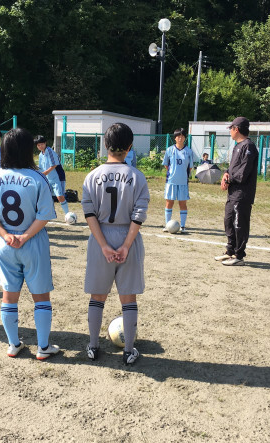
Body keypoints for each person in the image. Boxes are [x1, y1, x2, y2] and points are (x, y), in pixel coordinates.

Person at [0, 128, 60, 360]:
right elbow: (44, 214)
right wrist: (25, 236)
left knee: (9, 294)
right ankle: (43, 347)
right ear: (28, 150)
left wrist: (6, 235)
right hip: (33, 242)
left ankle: (13, 344)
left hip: (5, 244)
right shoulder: (37, 178)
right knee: (41, 296)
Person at [81, 123, 150, 365]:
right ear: (130, 147)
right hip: (127, 237)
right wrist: (125, 245)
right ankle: (129, 351)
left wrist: (104, 245)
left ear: (105, 144)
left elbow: (89, 214)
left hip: (100, 237)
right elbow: (139, 214)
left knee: (97, 296)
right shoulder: (137, 176)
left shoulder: (92, 176)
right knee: (128, 298)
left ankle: (92, 346)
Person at [215, 117, 259, 266]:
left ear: (237, 129)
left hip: (242, 194)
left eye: (231, 128)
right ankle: (230, 251)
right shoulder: (237, 146)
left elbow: (243, 172)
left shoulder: (249, 147)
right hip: (232, 193)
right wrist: (226, 174)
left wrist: (229, 179)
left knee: (239, 224)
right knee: (228, 221)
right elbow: (233, 167)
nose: (230, 132)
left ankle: (239, 255)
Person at [162, 128, 193, 233]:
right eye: (178, 136)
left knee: (182, 203)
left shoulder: (188, 151)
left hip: (183, 182)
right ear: (175, 138)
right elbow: (166, 164)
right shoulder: (169, 150)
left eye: (182, 136)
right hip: (171, 181)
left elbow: (190, 167)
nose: (180, 138)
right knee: (169, 202)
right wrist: (173, 173)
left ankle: (183, 226)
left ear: (185, 138)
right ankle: (167, 225)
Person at [35, 135, 70, 217]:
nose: (40, 146)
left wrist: (45, 173)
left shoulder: (49, 151)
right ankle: (50, 214)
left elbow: (54, 165)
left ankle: (68, 214)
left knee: (60, 197)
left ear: (45, 143)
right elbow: (40, 168)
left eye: (42, 144)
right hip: (47, 179)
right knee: (47, 197)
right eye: (38, 145)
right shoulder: (40, 155)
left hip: (57, 177)